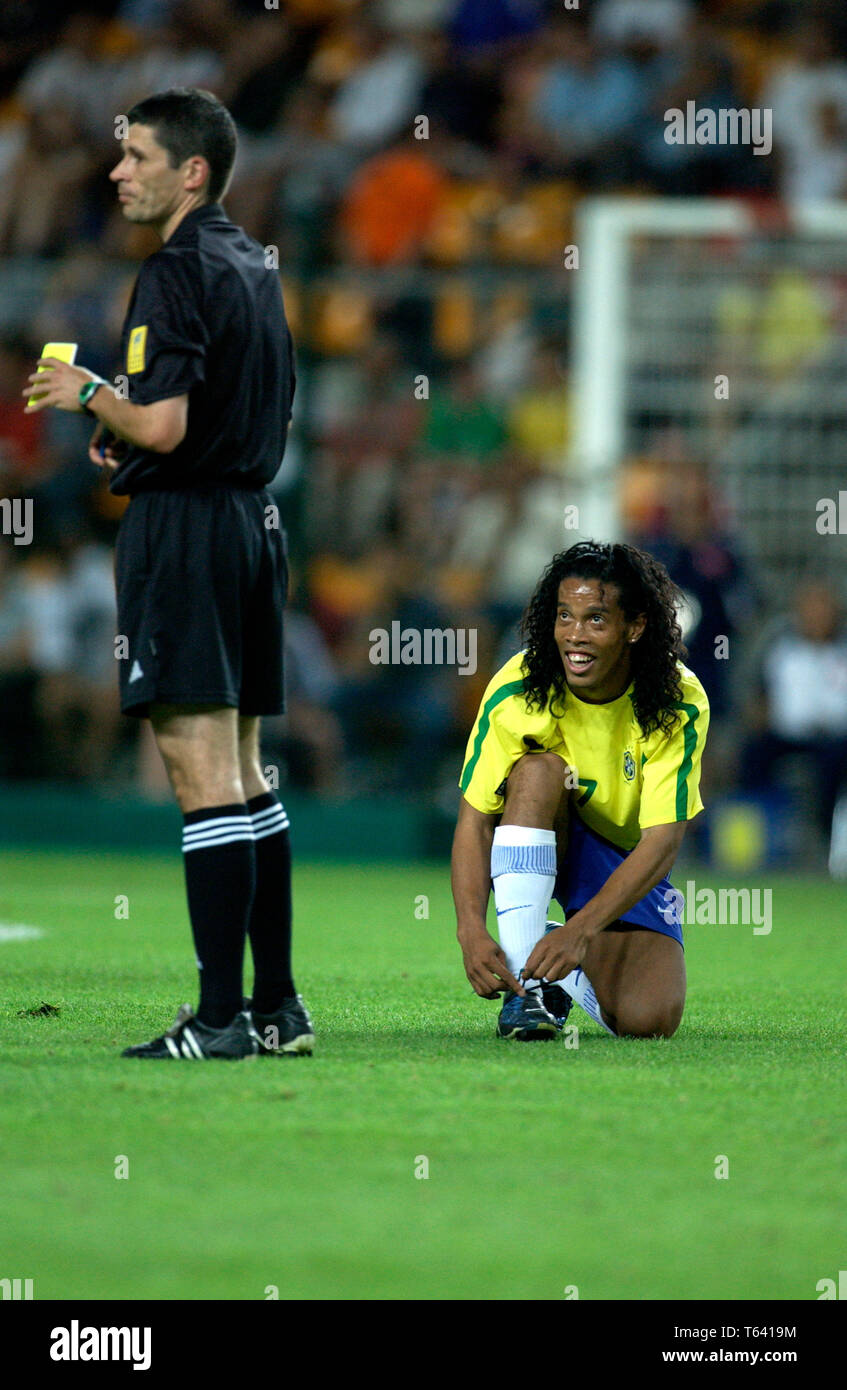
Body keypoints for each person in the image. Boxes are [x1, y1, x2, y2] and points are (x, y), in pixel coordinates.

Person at [23, 87, 313, 1061]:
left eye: (137, 155)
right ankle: (277, 1006)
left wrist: (89, 393)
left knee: (199, 777)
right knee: (244, 768)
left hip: (187, 534)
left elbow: (165, 421)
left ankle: (221, 1019)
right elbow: (237, 414)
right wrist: (139, 451)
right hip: (249, 522)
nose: (117, 171)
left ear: (191, 171)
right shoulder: (252, 262)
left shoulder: (173, 270)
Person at [451, 541, 709, 1040]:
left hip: (625, 858)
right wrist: (470, 929)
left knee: (648, 1022)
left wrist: (581, 930)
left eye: (596, 619)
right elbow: (475, 820)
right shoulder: (520, 686)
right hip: (548, 826)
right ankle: (526, 991)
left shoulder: (677, 700)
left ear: (634, 627)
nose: (575, 635)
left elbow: (662, 839)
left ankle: (550, 954)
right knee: (540, 771)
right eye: (564, 616)